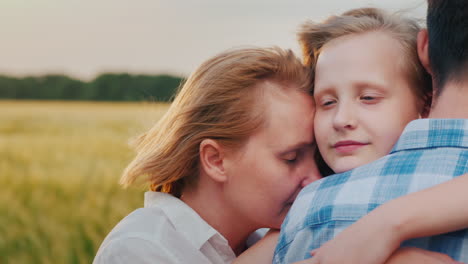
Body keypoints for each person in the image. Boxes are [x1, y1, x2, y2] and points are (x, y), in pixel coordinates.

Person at [274, 1, 468, 263]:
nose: (341, 120)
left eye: (368, 97)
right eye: (327, 102)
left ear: (424, 101)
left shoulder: (313, 208)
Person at [92, 47, 322, 264]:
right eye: (291, 158)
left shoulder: (266, 237)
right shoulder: (139, 249)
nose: (316, 178)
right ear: (216, 160)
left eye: (318, 157)